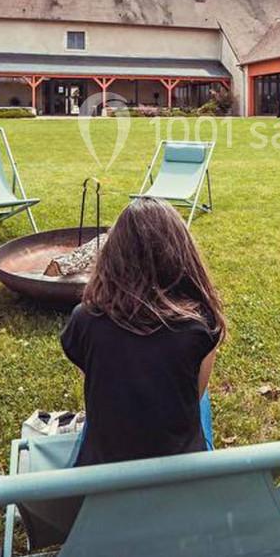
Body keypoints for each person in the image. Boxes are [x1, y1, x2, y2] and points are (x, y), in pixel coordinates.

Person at [59, 197, 226, 467]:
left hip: (102, 470)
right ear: (184, 254)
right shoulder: (201, 322)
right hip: (181, 470)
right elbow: (194, 394)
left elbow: (97, 385)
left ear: (113, 255)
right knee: (201, 398)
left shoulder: (84, 319)